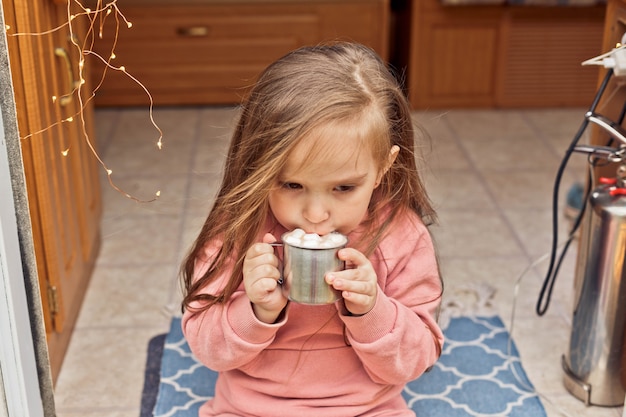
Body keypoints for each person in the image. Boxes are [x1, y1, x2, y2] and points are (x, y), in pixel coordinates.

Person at [181, 42, 444, 417]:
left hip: (367, 409)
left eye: (343, 188)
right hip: (250, 409)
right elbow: (208, 350)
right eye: (291, 185)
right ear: (258, 167)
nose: (316, 214)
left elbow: (416, 360)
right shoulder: (237, 232)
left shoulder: (401, 236)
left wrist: (372, 311)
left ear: (384, 167)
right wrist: (257, 310)